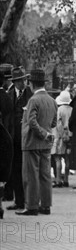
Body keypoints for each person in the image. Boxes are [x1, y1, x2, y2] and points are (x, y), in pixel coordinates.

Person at [16, 69, 57, 216]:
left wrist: (41, 133)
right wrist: (46, 132)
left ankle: (32, 206)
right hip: (46, 143)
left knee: (30, 175)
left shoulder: (33, 100)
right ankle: (46, 205)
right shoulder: (52, 100)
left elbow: (32, 122)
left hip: (32, 142)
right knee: (45, 174)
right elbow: (53, 122)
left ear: (31, 83)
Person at [6, 67, 33, 212]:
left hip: (27, 138)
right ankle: (19, 201)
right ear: (14, 82)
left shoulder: (31, 94)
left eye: (22, 80)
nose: (20, 83)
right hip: (13, 137)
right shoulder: (9, 94)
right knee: (15, 170)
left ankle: (30, 201)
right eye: (17, 81)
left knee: (28, 170)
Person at [52, 90, 73, 188]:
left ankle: (58, 180)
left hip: (60, 137)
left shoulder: (59, 110)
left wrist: (62, 134)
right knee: (67, 159)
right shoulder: (72, 109)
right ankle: (66, 180)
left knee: (58, 159)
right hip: (70, 135)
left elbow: (58, 124)